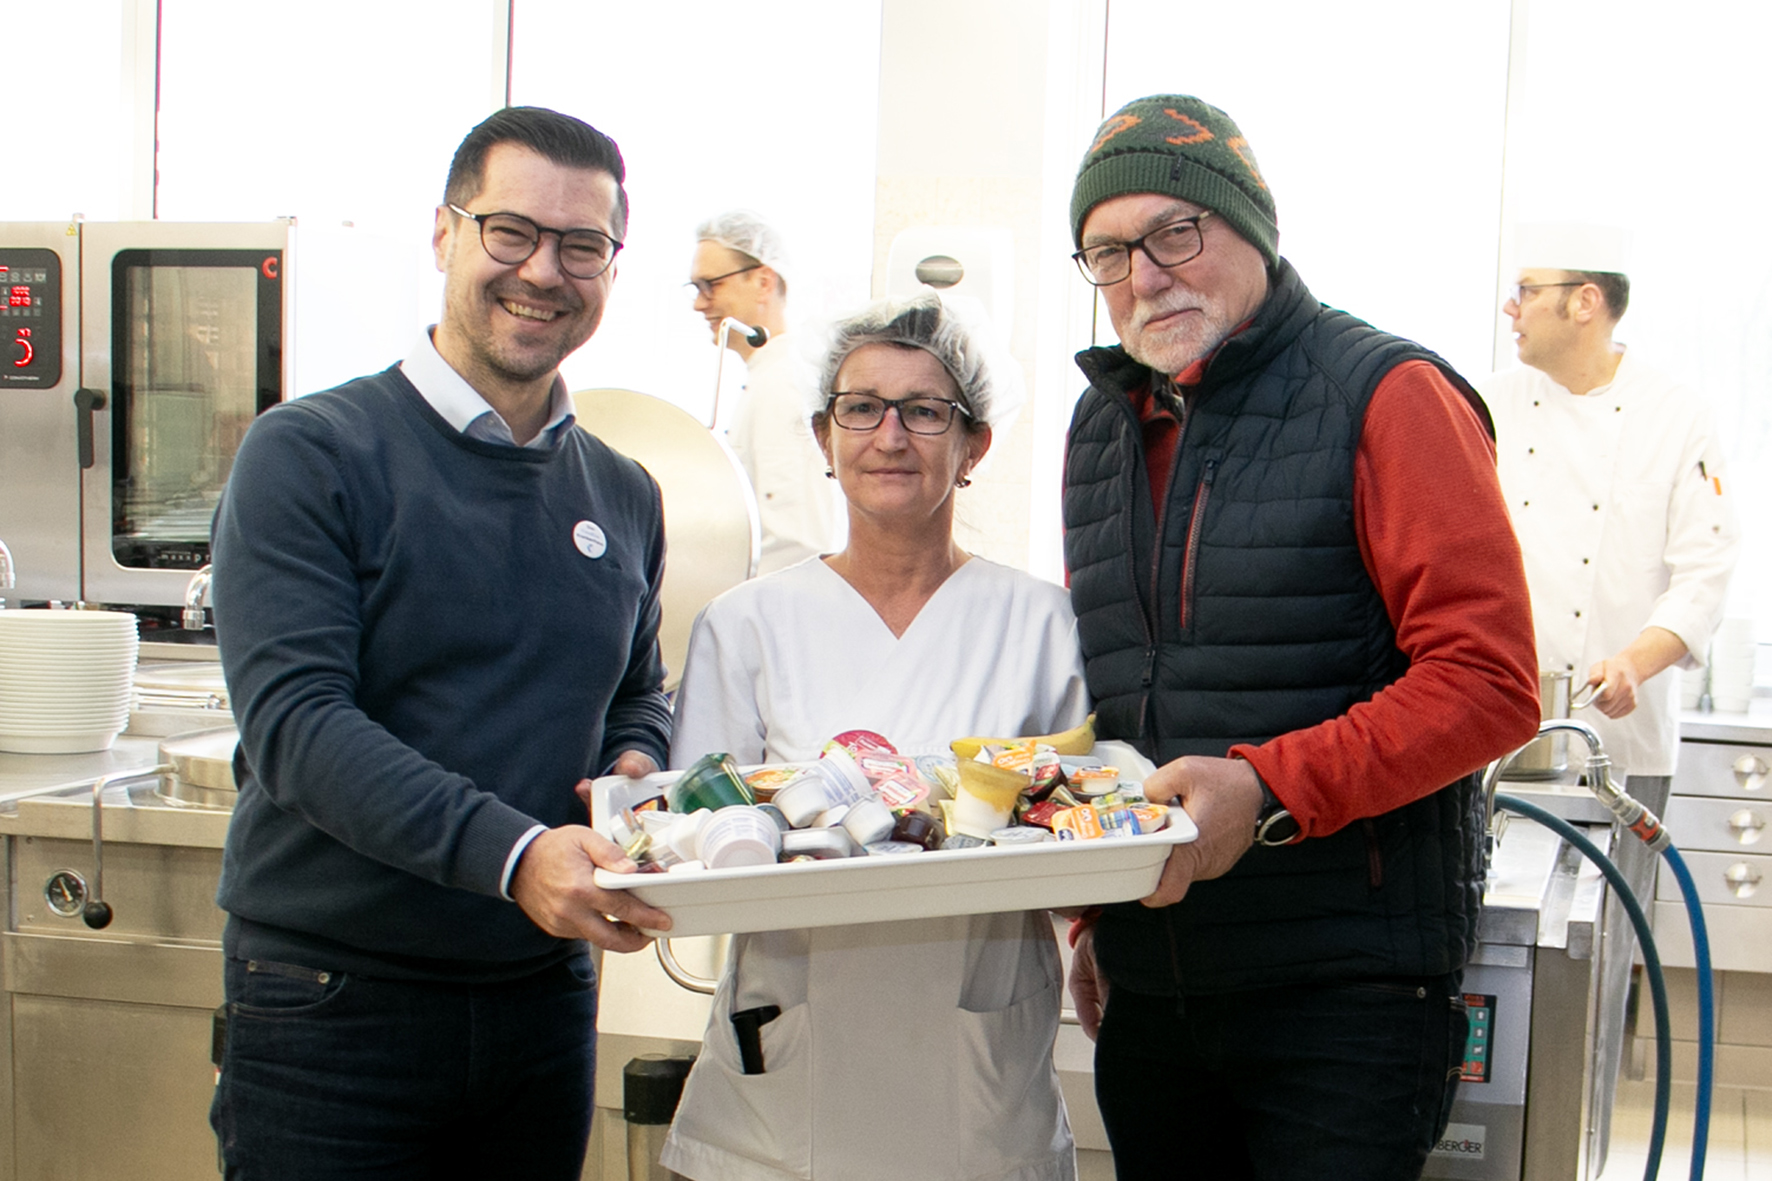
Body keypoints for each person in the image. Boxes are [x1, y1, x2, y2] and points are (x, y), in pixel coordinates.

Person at [1060, 94, 1542, 1179]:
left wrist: (1266, 788)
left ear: (1253, 227)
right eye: (1107, 252)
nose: (1144, 276)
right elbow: (1122, 690)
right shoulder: (1102, 424)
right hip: (1155, 980)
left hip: (1342, 997)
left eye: (1173, 232)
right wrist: (1100, 904)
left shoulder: (1387, 395)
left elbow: (1489, 680)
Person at [207, 106, 673, 1180]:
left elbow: (637, 691)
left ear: (611, 266)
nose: (542, 271)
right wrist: (516, 856)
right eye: (511, 232)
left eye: (582, 246)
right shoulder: (310, 453)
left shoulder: (623, 491)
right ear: (444, 233)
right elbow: (296, 726)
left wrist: (633, 768)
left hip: (540, 1001)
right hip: (334, 1006)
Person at [661, 293, 1088, 1181]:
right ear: (824, 437)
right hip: (790, 1051)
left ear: (975, 445)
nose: (890, 436)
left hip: (975, 1050)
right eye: (861, 408)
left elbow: (1081, 825)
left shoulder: (1044, 623)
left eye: (925, 411)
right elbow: (695, 843)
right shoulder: (746, 624)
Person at [1481, 222, 1738, 1150]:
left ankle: (1575, 1151)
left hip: (1615, 748)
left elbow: (1705, 570)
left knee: (1595, 967)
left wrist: (1637, 657)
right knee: (1488, 959)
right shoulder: (1489, 402)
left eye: (1528, 289)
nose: (1510, 308)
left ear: (1585, 301)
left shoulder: (1676, 415)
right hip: (1493, 738)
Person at [690, 210, 843, 573]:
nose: (699, 303)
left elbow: (797, 542)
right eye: (695, 289)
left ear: (763, 282)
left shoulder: (782, 385)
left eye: (711, 285)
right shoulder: (767, 379)